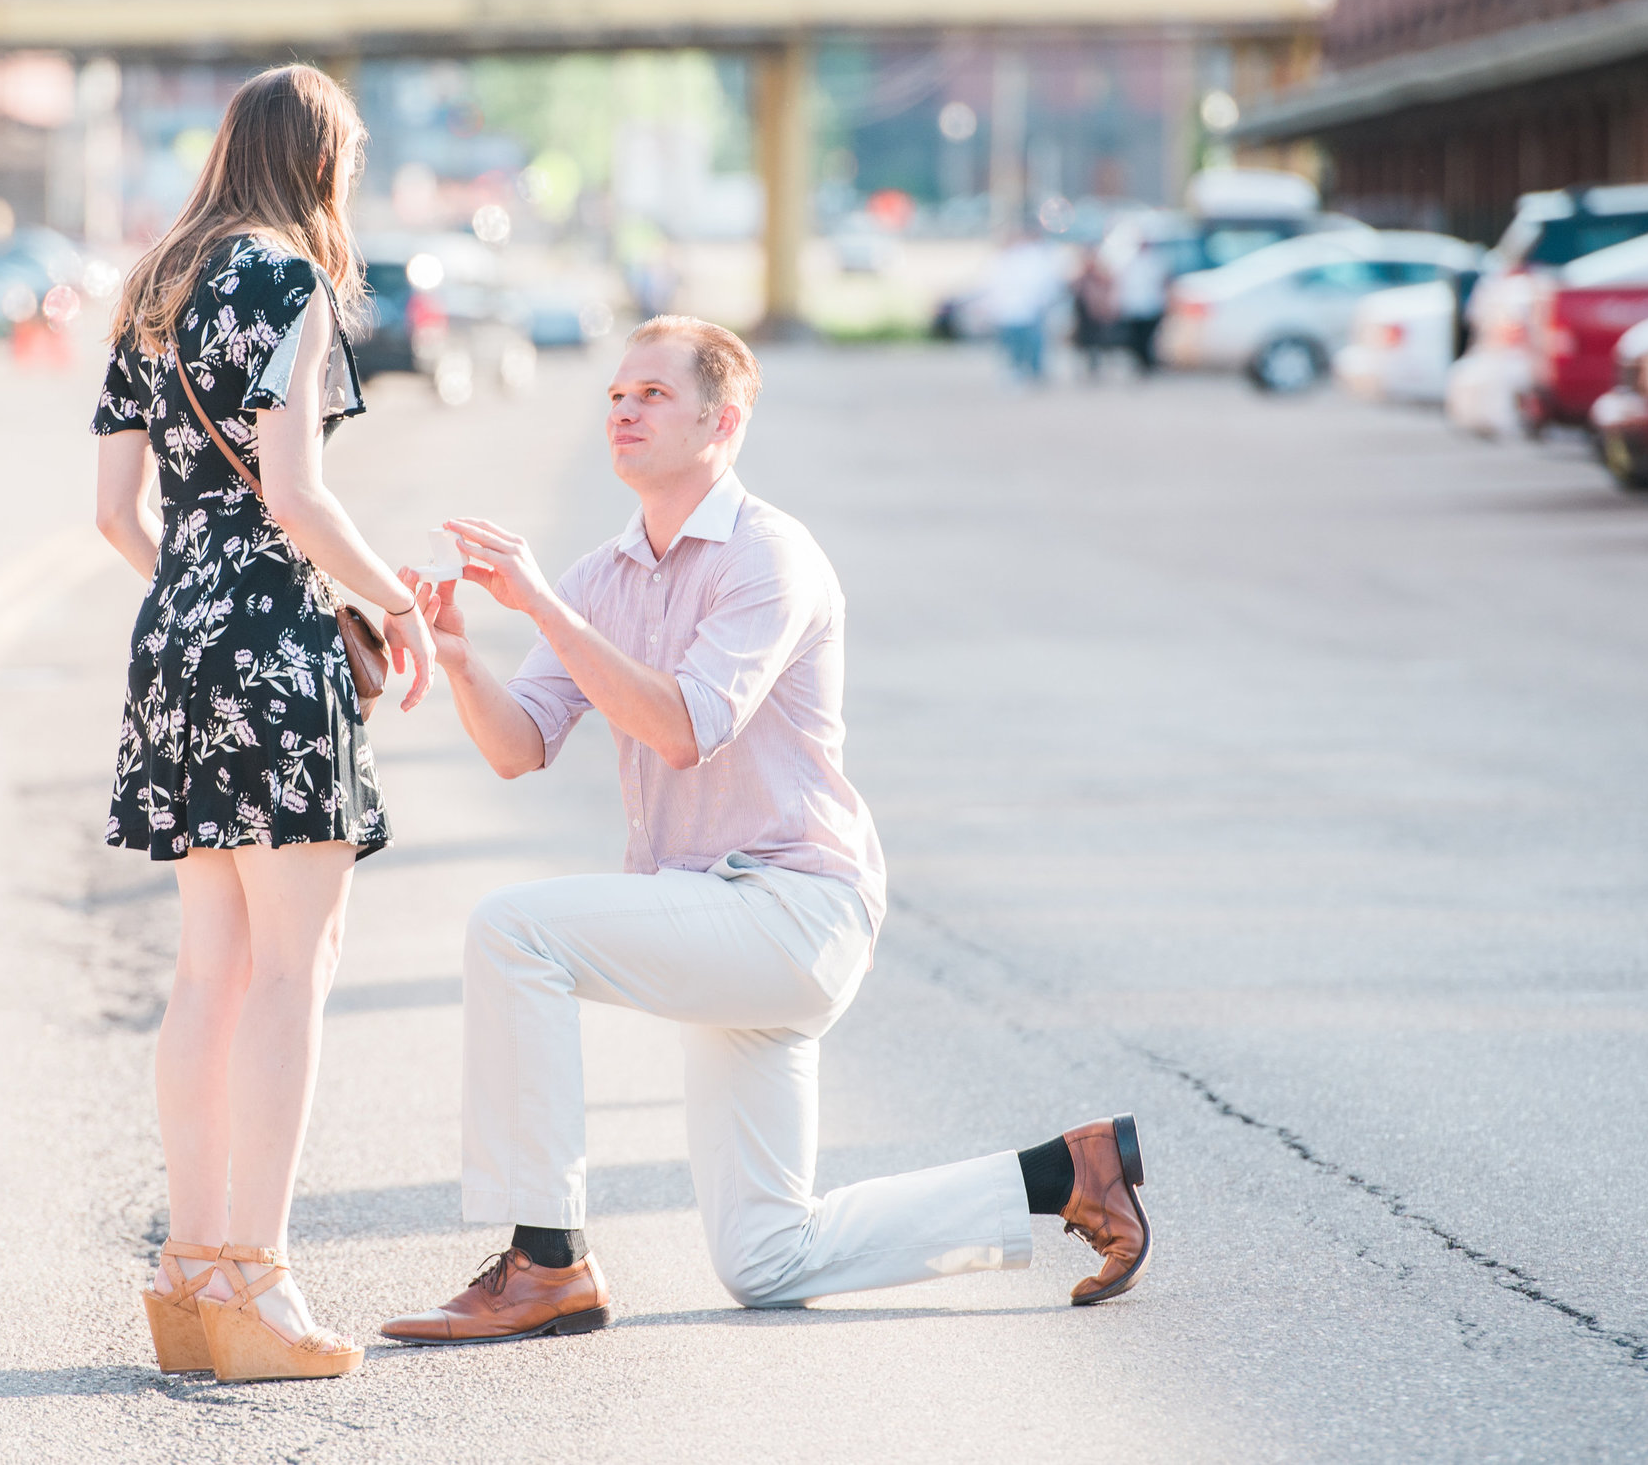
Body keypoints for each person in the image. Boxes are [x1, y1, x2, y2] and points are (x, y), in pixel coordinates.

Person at [378, 315, 1152, 1345]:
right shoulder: (601, 577)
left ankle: (545, 1261)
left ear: (721, 420)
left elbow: (688, 726)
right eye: (615, 393)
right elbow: (519, 749)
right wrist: (464, 657)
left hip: (794, 908)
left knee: (513, 930)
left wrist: (539, 604)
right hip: (715, 916)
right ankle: (1068, 1173)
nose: (622, 409)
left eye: (652, 393)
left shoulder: (768, 555)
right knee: (766, 1259)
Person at [91, 64, 437, 1383]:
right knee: (298, 962)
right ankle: (262, 1280)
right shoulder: (288, 278)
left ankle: (191, 1277)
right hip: (272, 640)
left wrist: (198, 599)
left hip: (173, 635)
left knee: (209, 966)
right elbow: (295, 490)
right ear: (321, 163)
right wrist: (391, 597)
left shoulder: (154, 286)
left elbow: (116, 515)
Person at [981, 224, 1069, 381]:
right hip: (1009, 310)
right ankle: (1017, 369)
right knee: (1013, 343)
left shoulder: (1032, 257)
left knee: (1032, 342)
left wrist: (1041, 301)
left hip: (1029, 308)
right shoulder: (1003, 259)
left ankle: (1034, 371)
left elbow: (1041, 282)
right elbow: (993, 284)